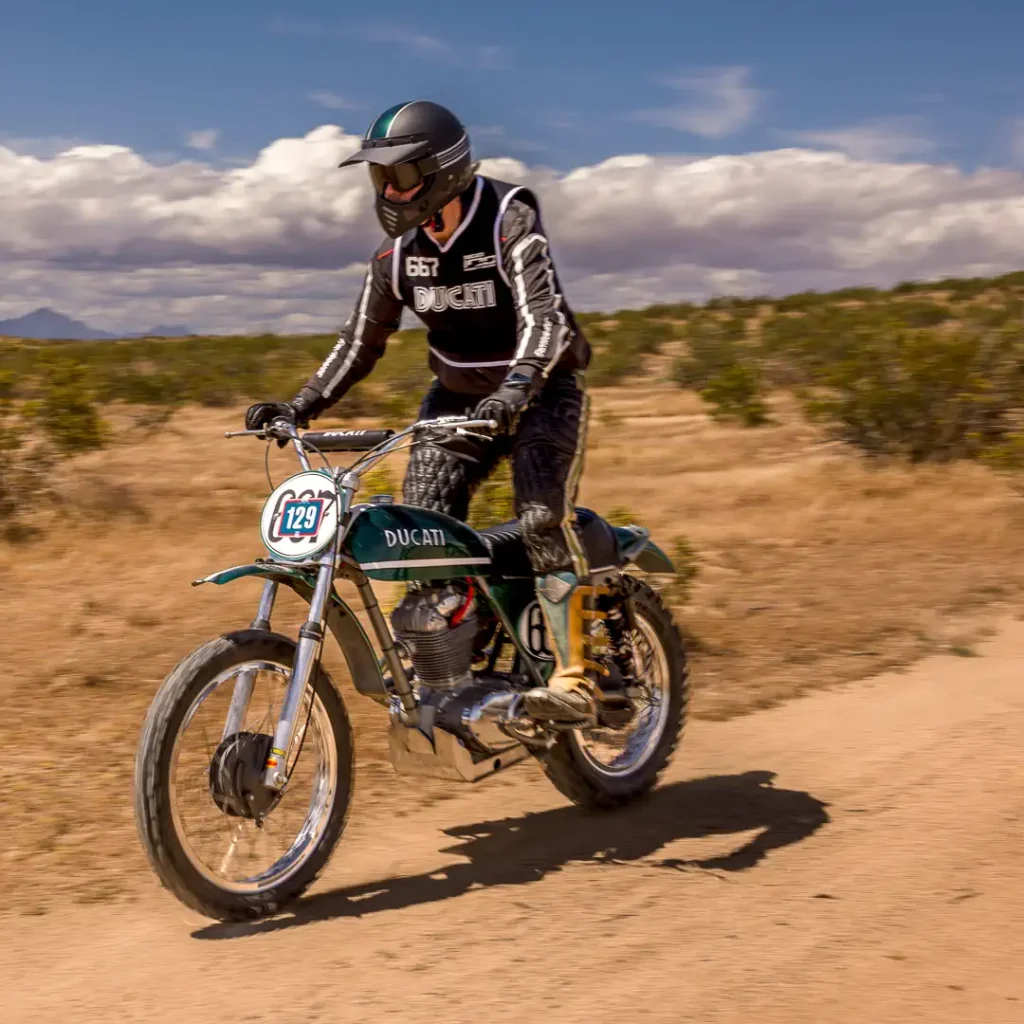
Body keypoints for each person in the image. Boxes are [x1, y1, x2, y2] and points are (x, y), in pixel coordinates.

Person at [245, 99, 605, 724]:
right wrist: (298, 406)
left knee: (542, 515)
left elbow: (545, 319)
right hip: (456, 402)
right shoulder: (397, 257)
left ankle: (576, 674)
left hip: (543, 391)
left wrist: (516, 389)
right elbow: (360, 342)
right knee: (422, 536)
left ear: (442, 171)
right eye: (378, 176)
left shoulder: (507, 220)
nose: (387, 189)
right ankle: (453, 660)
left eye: (400, 174)